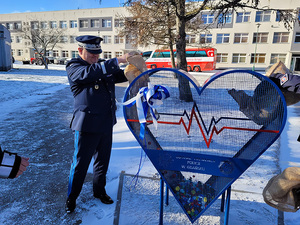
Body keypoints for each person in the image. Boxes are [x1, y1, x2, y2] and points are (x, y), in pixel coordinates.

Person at [65, 35, 136, 213]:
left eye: (97, 54)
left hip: (105, 123)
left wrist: (135, 67)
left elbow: (120, 75)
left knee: (102, 162)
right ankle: (71, 197)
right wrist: (118, 59)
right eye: (91, 54)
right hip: (87, 126)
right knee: (80, 164)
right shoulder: (74, 67)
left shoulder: (101, 66)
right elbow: (88, 74)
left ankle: (99, 191)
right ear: (80, 50)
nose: (95, 57)